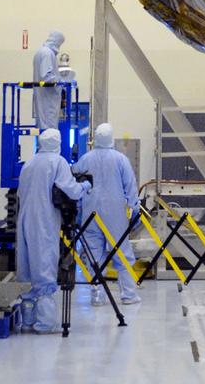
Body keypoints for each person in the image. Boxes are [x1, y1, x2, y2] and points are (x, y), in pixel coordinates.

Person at [16, 127, 90, 333]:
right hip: (44, 220)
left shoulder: (28, 163)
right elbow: (72, 191)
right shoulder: (58, 162)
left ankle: (27, 320)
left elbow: (21, 192)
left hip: (24, 219)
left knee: (26, 267)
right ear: (57, 143)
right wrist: (85, 187)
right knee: (44, 265)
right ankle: (45, 324)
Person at [74, 123, 141, 306]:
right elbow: (130, 187)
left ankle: (97, 295)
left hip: (90, 212)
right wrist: (134, 209)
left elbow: (75, 185)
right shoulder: (120, 159)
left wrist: (78, 212)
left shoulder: (85, 159)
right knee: (122, 252)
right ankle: (128, 294)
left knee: (94, 254)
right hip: (115, 214)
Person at [32, 30, 64, 131]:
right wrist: (61, 82)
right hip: (48, 99)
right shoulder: (47, 53)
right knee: (49, 130)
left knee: (45, 129)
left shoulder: (41, 52)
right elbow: (47, 77)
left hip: (44, 97)